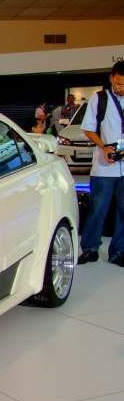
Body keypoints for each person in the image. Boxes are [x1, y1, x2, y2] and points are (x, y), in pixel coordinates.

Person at [78, 61, 124, 266]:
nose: (121, 88)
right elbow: (88, 128)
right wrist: (104, 147)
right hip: (104, 166)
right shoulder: (100, 98)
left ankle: (119, 251)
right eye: (118, 83)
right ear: (111, 79)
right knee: (98, 209)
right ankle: (90, 248)